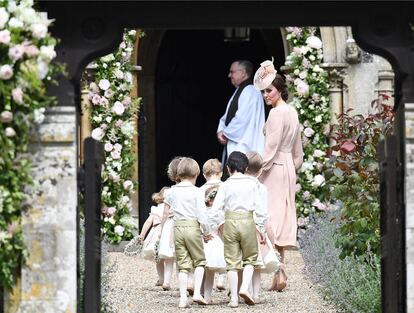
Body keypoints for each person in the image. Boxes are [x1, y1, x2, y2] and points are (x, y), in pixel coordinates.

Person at [253, 60, 304, 291]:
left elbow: (270, 150)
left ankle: (279, 272)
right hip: (288, 168)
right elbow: (298, 152)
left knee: (270, 218)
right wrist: (291, 169)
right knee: (282, 217)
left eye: (269, 90)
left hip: (274, 167)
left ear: (280, 90)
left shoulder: (275, 114)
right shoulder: (292, 111)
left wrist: (254, 173)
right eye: (263, 91)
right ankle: (279, 273)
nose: (266, 94)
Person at [209, 151, 266, 308]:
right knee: (250, 259)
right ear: (246, 167)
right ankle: (244, 287)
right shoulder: (253, 184)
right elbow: (260, 209)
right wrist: (261, 228)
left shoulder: (225, 185)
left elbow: (216, 209)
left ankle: (234, 298)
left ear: (228, 168)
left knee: (232, 262)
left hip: (230, 222)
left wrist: (210, 228)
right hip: (248, 221)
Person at [163, 157, 211, 308]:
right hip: (192, 227)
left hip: (177, 227)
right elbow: (202, 214)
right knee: (200, 261)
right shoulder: (197, 192)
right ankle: (197, 292)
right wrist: (206, 231)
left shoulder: (171, 192)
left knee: (182, 265)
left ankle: (183, 298)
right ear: (196, 174)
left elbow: (169, 203)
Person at [245, 151, 280, 302]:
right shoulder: (262, 188)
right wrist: (269, 234)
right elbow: (264, 213)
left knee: (243, 261)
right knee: (257, 264)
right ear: (260, 171)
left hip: (242, 223)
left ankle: (242, 288)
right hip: (257, 226)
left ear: (243, 168)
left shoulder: (240, 185)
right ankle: (256, 294)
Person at [217, 60, 265, 165]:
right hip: (235, 143)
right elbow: (226, 117)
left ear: (243, 73)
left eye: (232, 72)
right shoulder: (239, 91)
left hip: (245, 145)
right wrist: (220, 130)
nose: (229, 75)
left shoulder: (251, 91)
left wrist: (225, 133)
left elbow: (242, 119)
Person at [199, 158, 227, 291]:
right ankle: (222, 277)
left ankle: (202, 286)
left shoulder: (200, 190)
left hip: (206, 224)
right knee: (225, 249)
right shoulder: (225, 187)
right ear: (221, 173)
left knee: (206, 253)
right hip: (222, 221)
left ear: (204, 175)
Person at [157, 157, 182, 291]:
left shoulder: (169, 192)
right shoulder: (190, 190)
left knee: (169, 258)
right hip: (182, 223)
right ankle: (181, 283)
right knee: (181, 258)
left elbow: (165, 213)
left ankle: (166, 281)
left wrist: (161, 227)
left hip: (170, 224)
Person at [137, 187, 170, 286]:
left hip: (157, 233)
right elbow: (148, 222)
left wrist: (142, 235)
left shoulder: (156, 208)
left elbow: (148, 222)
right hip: (166, 233)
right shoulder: (167, 209)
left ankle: (162, 279)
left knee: (158, 259)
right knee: (169, 258)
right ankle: (166, 281)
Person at [202, 185, 227, 304]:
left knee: (200, 269)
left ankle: (199, 293)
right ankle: (207, 296)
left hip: (201, 241)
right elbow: (223, 229)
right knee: (210, 272)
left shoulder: (201, 212)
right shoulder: (218, 214)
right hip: (214, 241)